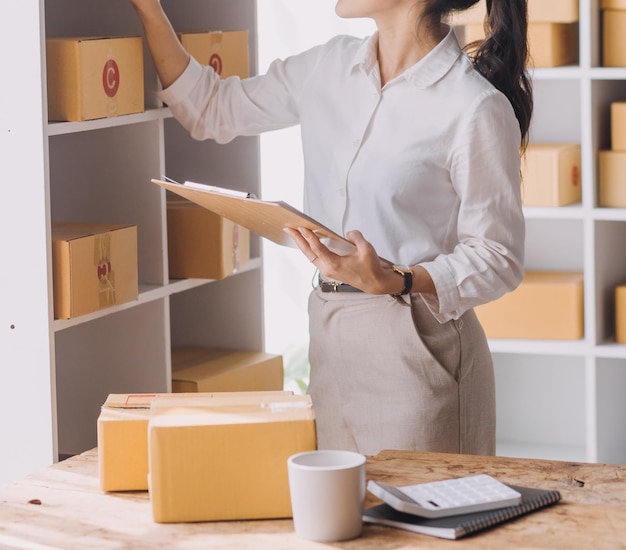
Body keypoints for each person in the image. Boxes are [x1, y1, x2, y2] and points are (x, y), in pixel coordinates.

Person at [129, 0, 532, 457]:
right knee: (346, 520)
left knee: (420, 523)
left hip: (417, 343)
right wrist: (149, 9)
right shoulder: (328, 67)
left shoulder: (473, 106)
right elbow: (209, 108)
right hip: (330, 332)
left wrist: (395, 278)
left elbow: (499, 257)